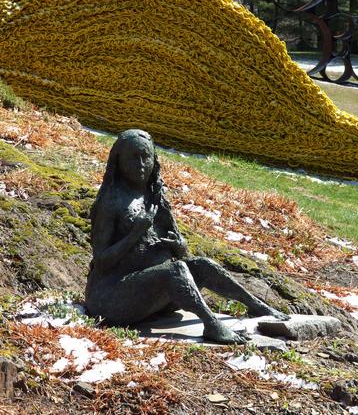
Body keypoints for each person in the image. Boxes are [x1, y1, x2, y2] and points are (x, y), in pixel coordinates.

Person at [85, 129, 288, 344]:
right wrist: (135, 233)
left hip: (150, 295)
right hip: (111, 299)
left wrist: (179, 245)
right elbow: (102, 261)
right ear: (119, 161)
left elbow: (180, 250)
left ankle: (257, 306)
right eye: (133, 158)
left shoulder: (155, 196)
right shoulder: (110, 202)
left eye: (146, 157)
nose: (141, 164)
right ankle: (211, 325)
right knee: (176, 270)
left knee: (203, 265)